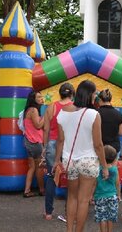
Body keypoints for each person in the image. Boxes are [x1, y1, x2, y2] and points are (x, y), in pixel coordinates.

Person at [54, 80, 108, 232]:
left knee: (72, 198)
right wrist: (104, 166)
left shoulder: (62, 113)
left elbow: (60, 140)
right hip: (89, 161)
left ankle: (69, 230)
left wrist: (57, 160)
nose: (96, 96)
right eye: (95, 93)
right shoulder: (93, 114)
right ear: (90, 94)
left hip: (69, 161)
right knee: (84, 200)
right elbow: (98, 145)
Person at [43, 82, 75, 220]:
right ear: (72, 94)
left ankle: (48, 213)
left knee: (51, 177)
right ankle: (69, 212)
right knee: (71, 178)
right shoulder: (75, 108)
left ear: (60, 94)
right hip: (69, 145)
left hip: (52, 144)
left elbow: (46, 129)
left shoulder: (52, 107)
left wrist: (44, 147)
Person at [22, 91, 45, 198]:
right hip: (35, 142)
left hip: (28, 141)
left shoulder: (28, 110)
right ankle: (42, 190)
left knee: (31, 167)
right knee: (39, 167)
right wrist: (45, 116)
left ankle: (27, 190)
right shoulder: (34, 110)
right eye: (39, 97)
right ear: (33, 99)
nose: (41, 98)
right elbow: (38, 125)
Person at [94, 145, 120, 232]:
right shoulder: (115, 169)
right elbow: (117, 183)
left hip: (99, 196)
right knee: (110, 217)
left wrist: (91, 195)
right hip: (112, 196)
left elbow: (94, 183)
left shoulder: (98, 169)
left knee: (102, 218)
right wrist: (118, 195)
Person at [97, 89, 122, 153]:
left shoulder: (95, 113)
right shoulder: (119, 114)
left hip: (100, 147)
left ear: (100, 99)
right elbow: (120, 132)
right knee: (113, 163)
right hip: (114, 148)